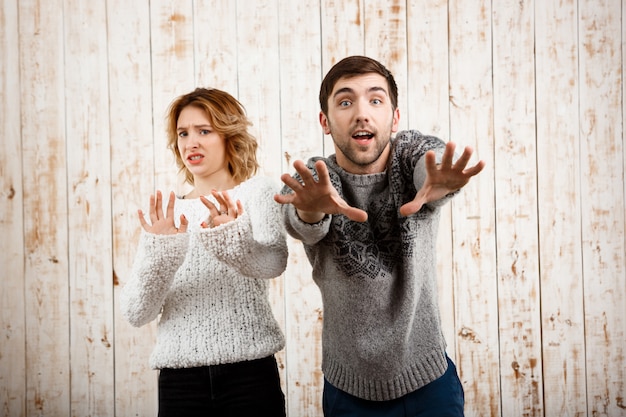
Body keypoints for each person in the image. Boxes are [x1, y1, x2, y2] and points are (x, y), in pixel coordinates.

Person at [274, 56, 485, 417]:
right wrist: (310, 208)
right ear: (325, 121)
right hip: (348, 391)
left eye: (375, 100)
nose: (362, 113)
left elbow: (427, 161)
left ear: (395, 116)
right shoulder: (320, 177)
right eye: (345, 101)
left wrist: (435, 181)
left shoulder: (409, 155)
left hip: (429, 382)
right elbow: (303, 219)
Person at [120, 87, 288, 417]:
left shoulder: (258, 192)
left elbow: (273, 262)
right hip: (180, 384)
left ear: (229, 137)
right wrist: (161, 252)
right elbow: (136, 312)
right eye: (183, 133)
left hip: (249, 376)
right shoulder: (167, 216)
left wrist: (228, 235)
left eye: (204, 131)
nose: (190, 143)